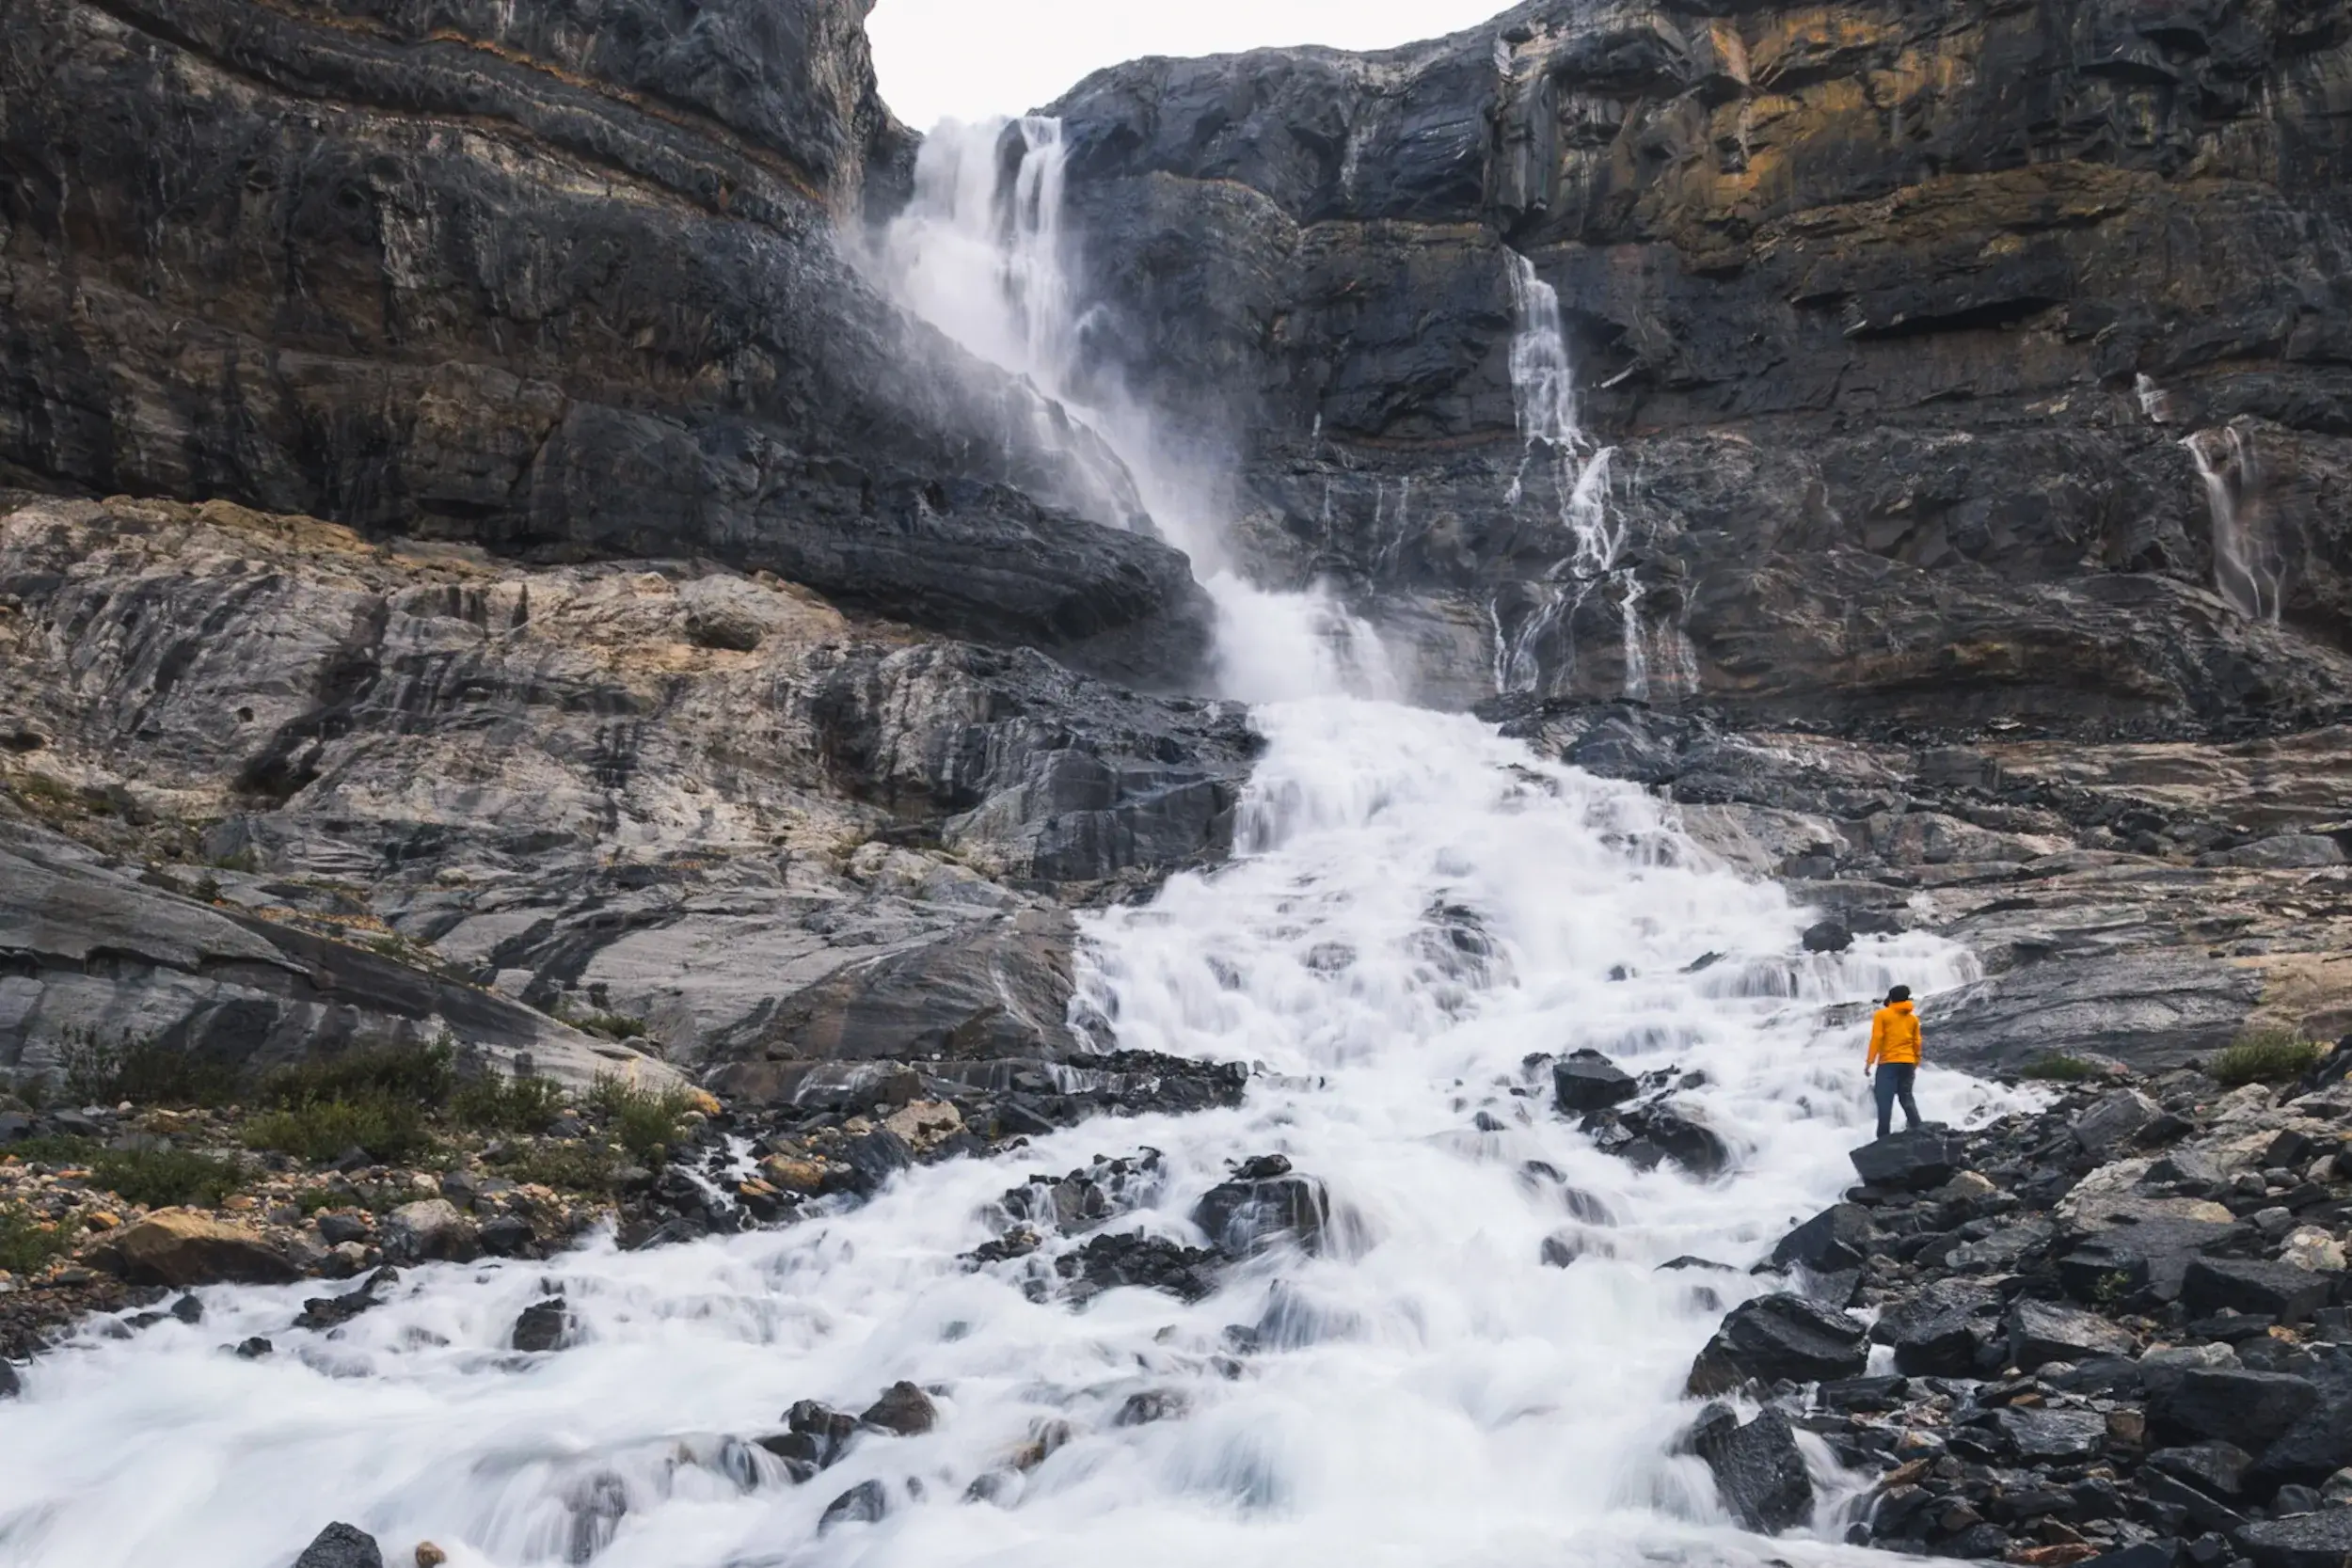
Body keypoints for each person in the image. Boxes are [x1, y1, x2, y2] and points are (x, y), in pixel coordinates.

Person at [1867, 984, 1924, 1139]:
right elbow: (1917, 1042)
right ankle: (1920, 1131)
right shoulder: (1912, 1018)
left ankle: (1883, 1138)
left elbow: (1877, 1038)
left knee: (1884, 1100)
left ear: (1890, 998)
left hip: (1888, 1063)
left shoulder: (1882, 1015)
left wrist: (1869, 1062)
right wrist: (1915, 1061)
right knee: (1907, 1098)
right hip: (1908, 1062)